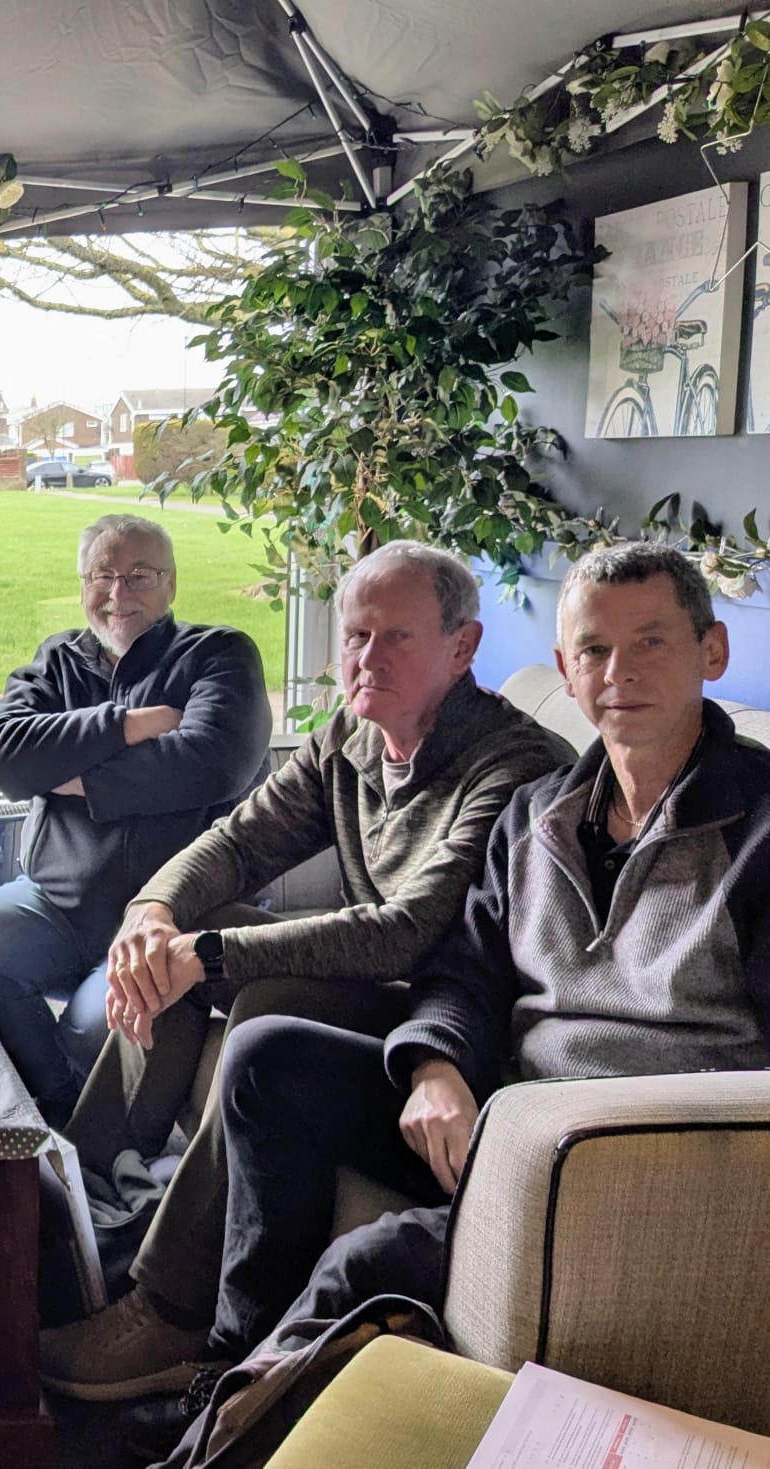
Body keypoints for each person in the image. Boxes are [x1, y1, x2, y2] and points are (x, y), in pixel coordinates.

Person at [175, 540, 770, 1433]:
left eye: (651, 642)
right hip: (504, 1115)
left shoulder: (757, 831)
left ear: (711, 651)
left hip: (638, 1162)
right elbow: (465, 970)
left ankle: (219, 1434)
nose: (619, 672)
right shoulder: (540, 814)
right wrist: (436, 1067)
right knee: (267, 1056)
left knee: (366, 1264)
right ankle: (231, 1364)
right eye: (595, 649)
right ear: (566, 668)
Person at [42, 540, 571, 1401]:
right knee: (182, 935)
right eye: (356, 634)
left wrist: (204, 954)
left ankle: (171, 1308)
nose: (367, 657)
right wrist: (155, 911)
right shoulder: (352, 739)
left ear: (463, 646)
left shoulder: (512, 765)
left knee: (266, 995)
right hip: (379, 982)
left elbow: (407, 934)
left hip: (447, 1017)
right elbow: (240, 842)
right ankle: (90, 1189)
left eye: (396, 637)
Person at [0, 514, 272, 1127]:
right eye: (102, 576)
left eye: (139, 575)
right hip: (57, 902)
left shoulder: (219, 655)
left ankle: (79, 1134)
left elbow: (211, 765)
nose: (119, 593)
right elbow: (6, 757)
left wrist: (69, 774)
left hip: (169, 917)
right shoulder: (58, 658)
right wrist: (131, 724)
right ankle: (60, 1115)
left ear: (171, 584)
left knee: (92, 1024)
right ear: (84, 586)